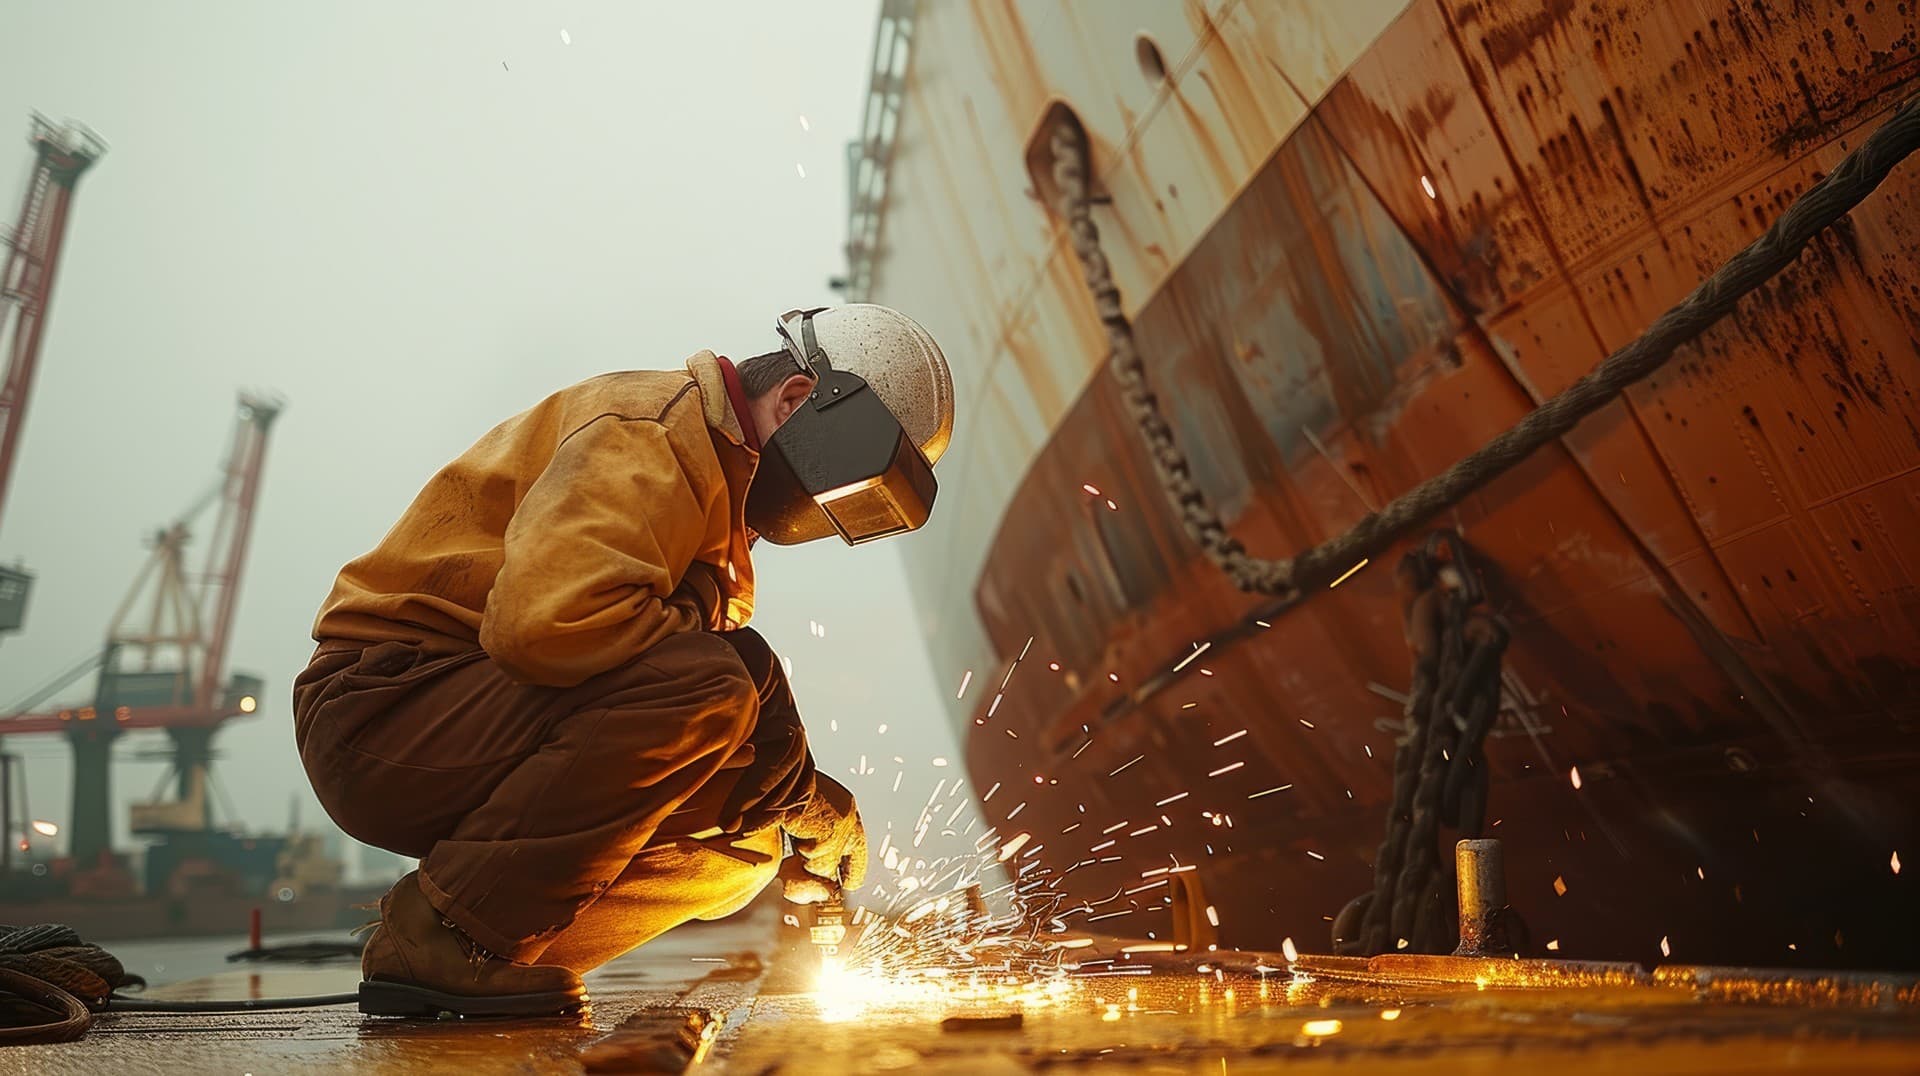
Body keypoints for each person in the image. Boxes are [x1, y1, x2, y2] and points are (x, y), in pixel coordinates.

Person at [292, 305, 955, 1017]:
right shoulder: (652, 431)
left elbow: (677, 686)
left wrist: (794, 793)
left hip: (469, 716)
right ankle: (444, 933)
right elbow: (545, 628)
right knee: (707, 688)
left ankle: (495, 948)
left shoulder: (712, 494)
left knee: (744, 838)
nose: (820, 507)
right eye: (835, 480)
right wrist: (777, 752)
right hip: (384, 711)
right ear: (795, 400)